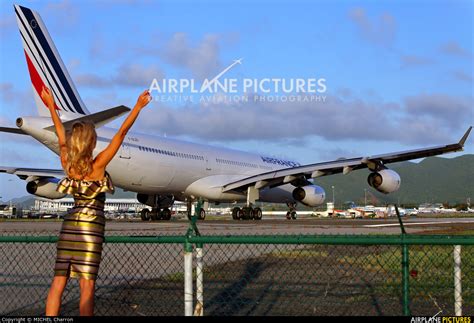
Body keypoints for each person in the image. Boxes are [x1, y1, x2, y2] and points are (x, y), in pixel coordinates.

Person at [42, 86, 152, 316]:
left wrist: (51, 105)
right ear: (92, 142)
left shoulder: (67, 163)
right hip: (91, 228)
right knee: (87, 286)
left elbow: (61, 136)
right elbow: (121, 134)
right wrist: (138, 107)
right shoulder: (98, 165)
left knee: (58, 283)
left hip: (69, 226)